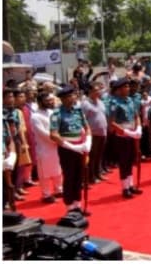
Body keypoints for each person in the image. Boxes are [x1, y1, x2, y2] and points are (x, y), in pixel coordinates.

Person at [49, 85, 92, 215]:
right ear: (61, 99)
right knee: (69, 177)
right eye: (67, 97)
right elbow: (53, 134)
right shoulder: (57, 113)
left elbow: (87, 127)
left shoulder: (78, 111)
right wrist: (71, 146)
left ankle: (77, 205)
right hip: (67, 148)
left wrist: (88, 141)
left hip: (80, 146)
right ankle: (70, 207)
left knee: (79, 177)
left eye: (72, 95)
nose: (71, 98)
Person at [107, 78, 143, 198]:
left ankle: (130, 185)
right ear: (119, 90)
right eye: (125, 87)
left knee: (130, 159)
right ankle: (125, 188)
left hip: (132, 133)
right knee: (124, 162)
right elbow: (111, 122)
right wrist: (125, 131)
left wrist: (138, 127)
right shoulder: (114, 102)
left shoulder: (131, 100)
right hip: (122, 135)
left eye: (128, 86)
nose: (128, 89)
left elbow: (136, 115)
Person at [29, 92, 63, 203]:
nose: (50, 102)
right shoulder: (35, 116)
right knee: (45, 174)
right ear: (39, 102)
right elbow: (42, 133)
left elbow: (58, 126)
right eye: (47, 101)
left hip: (56, 146)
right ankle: (46, 194)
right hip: (44, 148)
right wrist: (57, 139)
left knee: (58, 170)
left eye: (50, 100)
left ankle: (59, 189)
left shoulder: (51, 112)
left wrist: (60, 138)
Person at [81, 83, 108, 184]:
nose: (98, 92)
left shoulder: (100, 102)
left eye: (99, 90)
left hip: (103, 133)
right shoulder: (85, 104)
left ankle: (98, 173)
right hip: (93, 134)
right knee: (92, 156)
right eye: (96, 90)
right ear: (90, 92)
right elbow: (83, 119)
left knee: (99, 155)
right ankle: (90, 177)